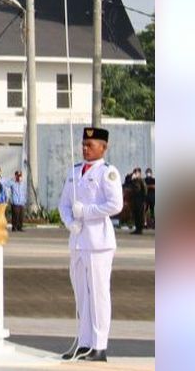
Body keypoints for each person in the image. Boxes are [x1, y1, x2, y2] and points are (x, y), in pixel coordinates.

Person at [58, 127, 123, 362]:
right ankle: (84, 343)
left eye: (90, 145)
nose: (85, 148)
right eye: (84, 144)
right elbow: (63, 203)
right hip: (77, 241)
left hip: (99, 242)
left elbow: (115, 205)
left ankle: (99, 345)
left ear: (103, 148)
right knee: (81, 296)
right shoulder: (75, 171)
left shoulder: (108, 173)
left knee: (98, 294)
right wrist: (69, 222)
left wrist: (85, 212)